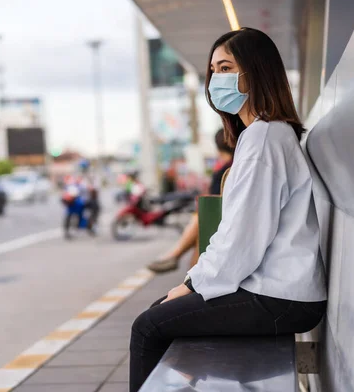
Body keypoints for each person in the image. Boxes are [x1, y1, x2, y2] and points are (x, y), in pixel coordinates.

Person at [129, 28, 327, 392]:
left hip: (281, 297)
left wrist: (193, 284)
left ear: (255, 71)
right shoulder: (263, 135)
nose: (215, 80)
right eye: (213, 71)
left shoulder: (265, 137)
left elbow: (243, 237)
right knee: (161, 313)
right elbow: (238, 233)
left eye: (225, 68)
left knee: (148, 326)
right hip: (277, 290)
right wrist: (192, 285)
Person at [147, 128, 234, 273]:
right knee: (199, 239)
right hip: (219, 217)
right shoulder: (234, 165)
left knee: (199, 228)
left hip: (219, 218)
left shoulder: (228, 168)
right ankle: (178, 261)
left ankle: (176, 256)